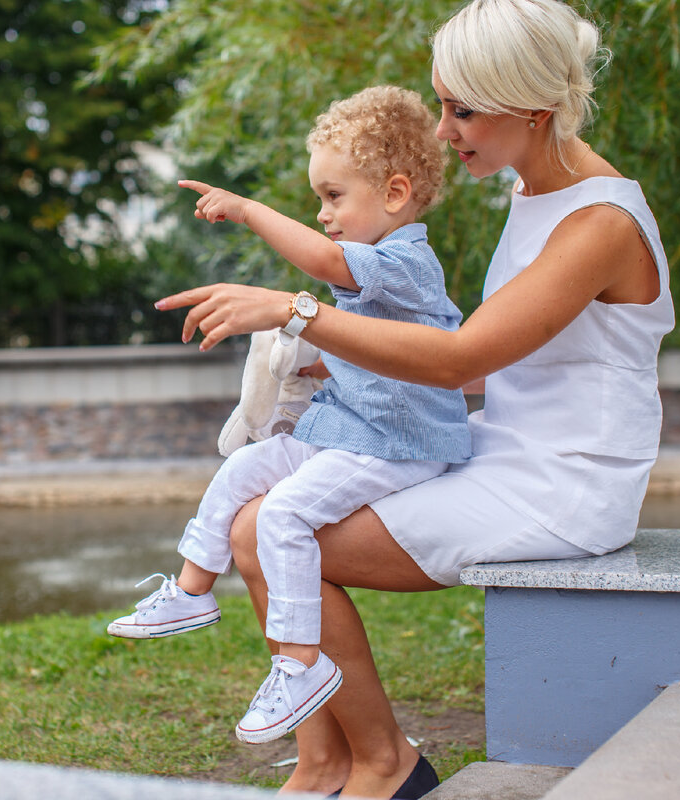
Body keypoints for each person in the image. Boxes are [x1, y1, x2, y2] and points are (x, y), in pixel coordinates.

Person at [153, 0, 676, 796]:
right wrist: (342, 371)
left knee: (264, 533)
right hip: (506, 448)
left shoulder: (599, 222)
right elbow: (511, 366)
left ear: (534, 108)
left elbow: (460, 355)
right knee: (258, 509)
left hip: (566, 486)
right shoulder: (537, 190)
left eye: (461, 109)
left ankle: (386, 764)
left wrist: (297, 312)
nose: (441, 132)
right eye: (442, 104)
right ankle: (326, 762)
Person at [107, 86, 472, 746]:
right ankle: (192, 589)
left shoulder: (403, 263)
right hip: (355, 427)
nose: (322, 213)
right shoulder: (378, 274)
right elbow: (377, 351)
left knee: (282, 514)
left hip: (397, 444)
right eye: (320, 199)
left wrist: (248, 211)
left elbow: (325, 263)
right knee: (247, 467)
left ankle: (301, 663)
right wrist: (316, 367)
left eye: (333, 197)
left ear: (393, 194)